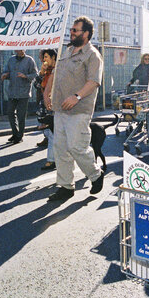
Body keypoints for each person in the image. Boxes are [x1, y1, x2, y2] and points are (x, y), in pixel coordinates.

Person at [46, 16, 105, 202]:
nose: (71, 33)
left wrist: (77, 96)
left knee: (76, 147)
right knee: (60, 149)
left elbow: (94, 81)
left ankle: (95, 174)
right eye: (71, 30)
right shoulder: (67, 51)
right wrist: (47, 91)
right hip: (60, 108)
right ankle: (65, 186)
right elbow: (56, 74)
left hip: (79, 109)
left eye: (75, 30)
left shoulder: (92, 55)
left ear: (86, 34)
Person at [0, 50, 37, 144]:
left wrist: (26, 76)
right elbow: (6, 72)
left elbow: (35, 74)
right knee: (10, 112)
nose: (18, 50)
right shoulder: (11, 60)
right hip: (12, 91)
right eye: (17, 48)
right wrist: (5, 75)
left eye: (21, 48)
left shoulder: (29, 60)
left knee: (21, 115)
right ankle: (14, 132)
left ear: (24, 49)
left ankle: (20, 135)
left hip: (23, 92)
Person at [38, 49, 57, 171]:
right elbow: (36, 85)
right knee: (48, 133)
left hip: (55, 106)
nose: (44, 60)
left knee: (52, 134)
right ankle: (54, 158)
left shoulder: (59, 70)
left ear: (53, 57)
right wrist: (41, 73)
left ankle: (51, 160)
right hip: (45, 106)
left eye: (46, 57)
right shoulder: (46, 71)